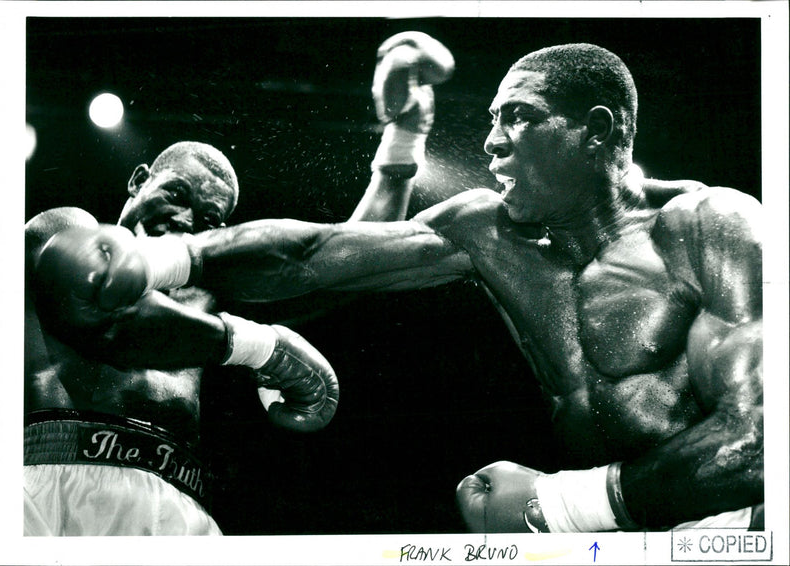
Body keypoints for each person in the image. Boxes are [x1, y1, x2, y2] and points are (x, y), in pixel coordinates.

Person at [39, 41, 763, 533]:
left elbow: (763, 443)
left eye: (518, 116)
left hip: (729, 524)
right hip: (40, 480)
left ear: (597, 131)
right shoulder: (490, 230)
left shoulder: (709, 223)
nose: (489, 142)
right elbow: (318, 253)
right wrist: (184, 265)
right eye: (489, 120)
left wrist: (558, 504)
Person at [24, 32, 455, 536]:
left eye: (208, 218)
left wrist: (404, 137)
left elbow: (343, 265)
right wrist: (261, 347)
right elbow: (115, 322)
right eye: (176, 192)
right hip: (49, 474)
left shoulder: (202, 298)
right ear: (139, 180)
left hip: (176, 498)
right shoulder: (62, 228)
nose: (185, 218)